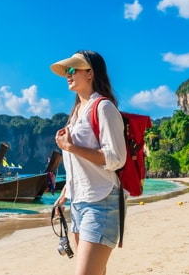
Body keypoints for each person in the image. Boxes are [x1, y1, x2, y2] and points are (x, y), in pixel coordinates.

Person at [51, 50, 127, 275]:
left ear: (90, 73)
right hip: (79, 203)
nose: (68, 74)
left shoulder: (104, 108)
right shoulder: (75, 114)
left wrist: (71, 147)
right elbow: (78, 167)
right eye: (67, 71)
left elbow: (116, 158)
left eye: (73, 69)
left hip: (101, 201)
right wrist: (64, 194)